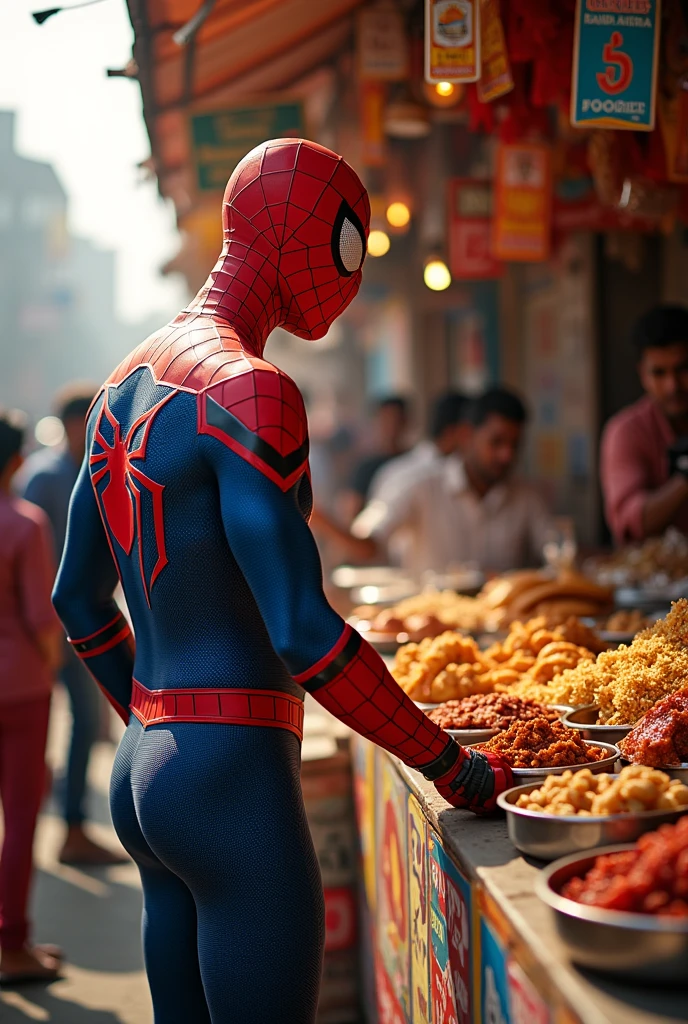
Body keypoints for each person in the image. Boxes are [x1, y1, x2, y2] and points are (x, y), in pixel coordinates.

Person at [52, 139, 511, 1024]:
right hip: (235, 773)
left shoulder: (121, 385)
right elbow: (305, 633)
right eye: (351, 246)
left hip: (151, 764)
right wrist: (454, 766)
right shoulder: (249, 390)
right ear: (297, 231)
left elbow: (78, 598)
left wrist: (155, 732)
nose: (353, 279)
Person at [17, 386, 125, 866]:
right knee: (71, 724)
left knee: (82, 725)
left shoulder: (93, 469)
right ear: (73, 424)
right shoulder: (46, 479)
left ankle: (72, 824)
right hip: (52, 625)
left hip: (69, 620)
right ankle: (70, 827)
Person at [352, 387, 553, 576]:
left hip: (505, 612)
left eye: (514, 445)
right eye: (496, 442)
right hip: (429, 611)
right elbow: (367, 544)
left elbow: (557, 550)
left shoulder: (526, 496)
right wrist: (322, 518)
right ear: (466, 435)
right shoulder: (418, 484)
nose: (506, 455)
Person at [0, 410, 62, 983]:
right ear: (16, 461)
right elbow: (44, 620)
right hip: (19, 688)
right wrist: (52, 663)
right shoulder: (25, 523)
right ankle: (11, 943)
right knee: (19, 820)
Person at [601, 305, 688, 545]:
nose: (673, 386)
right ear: (643, 374)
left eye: (683, 369)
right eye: (659, 373)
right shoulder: (626, 432)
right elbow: (631, 524)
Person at [341, 395, 409, 520]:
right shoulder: (366, 467)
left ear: (406, 422)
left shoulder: (414, 461)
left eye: (396, 420)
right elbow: (352, 512)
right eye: (386, 419)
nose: (391, 426)